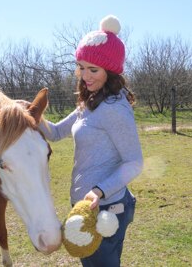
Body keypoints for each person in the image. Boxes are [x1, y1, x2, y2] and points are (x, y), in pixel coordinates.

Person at [40, 15, 143, 267]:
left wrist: (99, 191)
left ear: (111, 72)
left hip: (108, 210)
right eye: (81, 67)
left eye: (93, 70)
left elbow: (134, 162)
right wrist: (29, 114)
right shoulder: (89, 103)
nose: (85, 76)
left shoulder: (114, 109)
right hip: (88, 210)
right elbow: (54, 132)